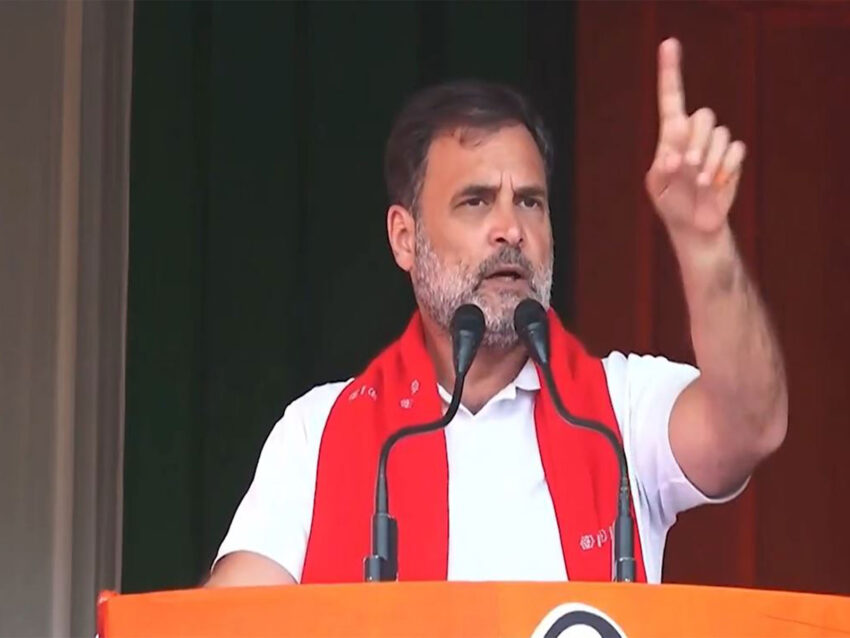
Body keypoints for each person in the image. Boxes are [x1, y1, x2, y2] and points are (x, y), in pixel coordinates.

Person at [205, 38, 787, 587]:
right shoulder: (318, 433)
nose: (511, 228)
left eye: (530, 201)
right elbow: (231, 619)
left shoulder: (619, 413)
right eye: (476, 201)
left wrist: (705, 242)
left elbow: (750, 425)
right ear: (405, 239)